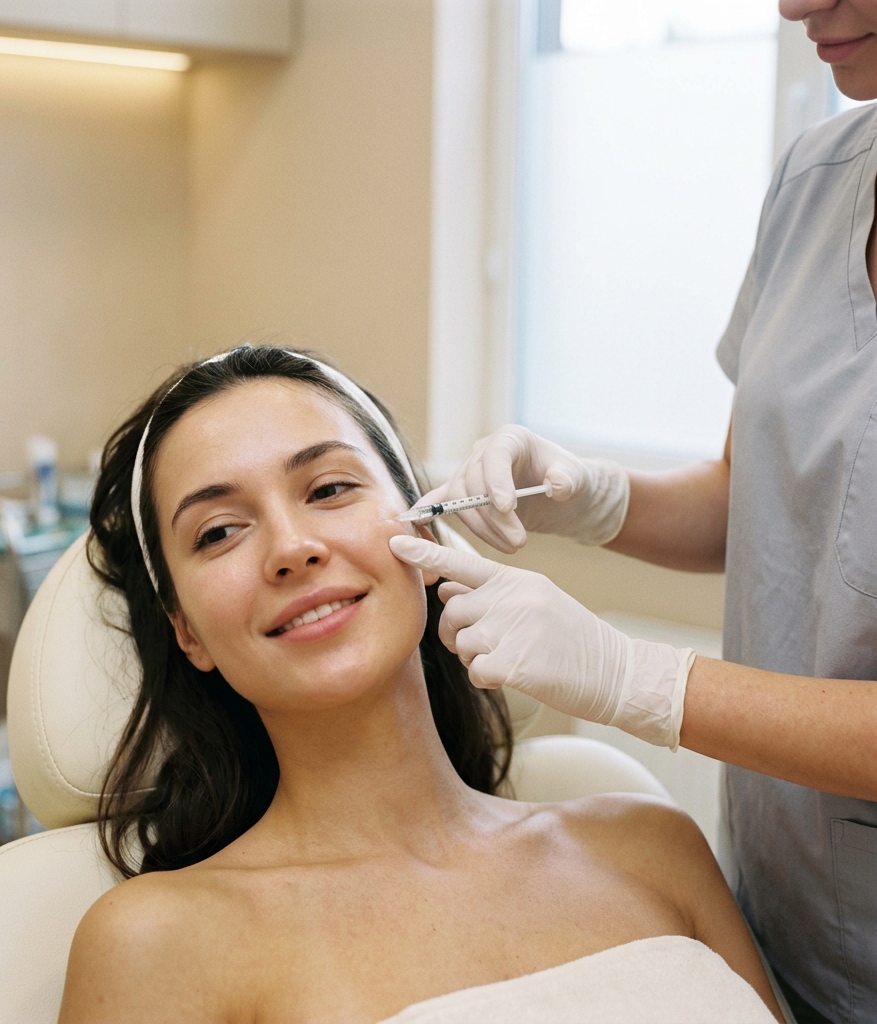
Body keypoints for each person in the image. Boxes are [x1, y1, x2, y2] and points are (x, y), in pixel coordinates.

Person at [388, 4, 877, 1023]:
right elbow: (762, 500)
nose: (792, 6)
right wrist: (589, 495)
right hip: (785, 910)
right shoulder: (816, 181)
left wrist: (631, 677)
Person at [57, 346, 779, 1023]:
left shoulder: (654, 847)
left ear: (428, 534)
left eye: (330, 487)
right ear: (186, 631)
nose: (293, 549)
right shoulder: (155, 942)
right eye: (218, 531)